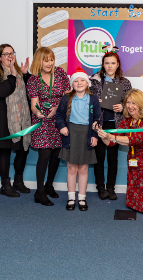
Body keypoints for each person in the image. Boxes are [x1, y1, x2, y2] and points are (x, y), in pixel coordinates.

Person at [97, 89, 143, 215]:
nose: (130, 106)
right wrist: (103, 135)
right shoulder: (126, 120)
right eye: (128, 102)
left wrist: (111, 137)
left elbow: (134, 139)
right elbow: (112, 142)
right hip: (134, 159)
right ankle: (135, 205)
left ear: (141, 104)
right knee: (135, 188)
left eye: (134, 103)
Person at [0, 44, 32, 198]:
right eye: (6, 54)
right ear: (0, 58)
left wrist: (23, 75)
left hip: (21, 118)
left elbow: (26, 92)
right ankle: (5, 185)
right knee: (4, 150)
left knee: (22, 150)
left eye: (12, 53)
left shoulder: (18, 73)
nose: (10, 56)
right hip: (3, 119)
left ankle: (18, 181)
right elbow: (3, 91)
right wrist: (12, 75)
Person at [27, 47, 71, 206]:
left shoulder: (60, 74)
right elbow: (34, 104)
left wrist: (58, 107)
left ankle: (49, 185)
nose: (49, 63)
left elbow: (68, 97)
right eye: (46, 60)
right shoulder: (33, 79)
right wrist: (38, 112)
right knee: (44, 155)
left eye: (51, 60)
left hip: (59, 119)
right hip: (42, 121)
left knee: (55, 154)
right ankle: (39, 192)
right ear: (39, 61)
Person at [56, 67, 101, 211]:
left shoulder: (93, 99)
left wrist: (94, 135)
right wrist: (62, 126)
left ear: (87, 83)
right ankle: (71, 198)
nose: (79, 83)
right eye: (76, 80)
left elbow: (97, 118)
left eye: (82, 80)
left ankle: (81, 198)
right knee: (71, 167)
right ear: (72, 84)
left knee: (83, 168)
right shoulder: (66, 98)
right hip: (71, 134)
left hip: (86, 134)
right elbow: (59, 116)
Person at [89, 47, 132, 200]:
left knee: (113, 158)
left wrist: (123, 106)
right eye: (107, 63)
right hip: (100, 123)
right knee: (99, 157)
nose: (110, 66)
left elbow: (130, 104)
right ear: (103, 64)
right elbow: (86, 101)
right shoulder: (94, 81)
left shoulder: (125, 83)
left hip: (116, 125)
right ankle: (101, 187)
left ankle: (111, 188)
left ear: (118, 65)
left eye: (113, 63)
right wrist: (95, 102)